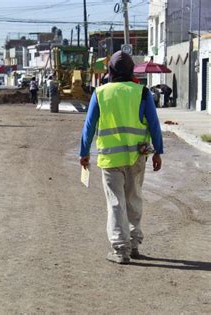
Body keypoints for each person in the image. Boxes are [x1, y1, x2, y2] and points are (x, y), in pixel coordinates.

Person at [79, 51, 164, 265]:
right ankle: (134, 244)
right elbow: (154, 124)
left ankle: (120, 249)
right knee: (133, 198)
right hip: (137, 156)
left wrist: (84, 152)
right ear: (131, 71)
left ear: (110, 71)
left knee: (116, 202)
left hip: (110, 159)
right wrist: (159, 152)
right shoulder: (142, 92)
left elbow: (89, 126)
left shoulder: (100, 93)